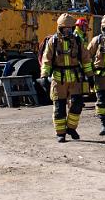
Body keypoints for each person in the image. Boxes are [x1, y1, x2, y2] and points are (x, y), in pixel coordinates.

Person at [39, 14, 94, 143]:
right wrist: (44, 76)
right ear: (60, 28)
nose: (68, 31)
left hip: (75, 79)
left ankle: (71, 128)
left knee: (77, 105)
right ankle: (61, 134)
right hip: (58, 80)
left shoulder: (78, 41)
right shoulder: (53, 41)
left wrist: (90, 76)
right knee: (59, 108)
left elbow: (86, 59)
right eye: (65, 29)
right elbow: (46, 60)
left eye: (70, 29)